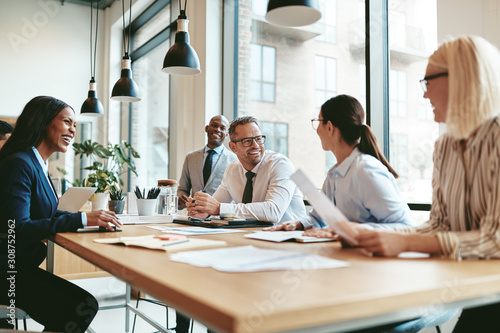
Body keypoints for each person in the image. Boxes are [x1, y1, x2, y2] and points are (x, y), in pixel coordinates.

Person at [351, 36, 500, 331]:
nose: (424, 95)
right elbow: (440, 225)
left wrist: (404, 241)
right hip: (480, 294)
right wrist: (370, 235)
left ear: (460, 78)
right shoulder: (444, 147)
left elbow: (496, 239)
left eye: (427, 82)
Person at [0, 96, 122, 332]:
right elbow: (19, 228)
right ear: (43, 122)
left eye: (74, 125)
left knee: (81, 306)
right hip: (8, 272)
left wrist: (86, 222)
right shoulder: (20, 163)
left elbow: (37, 217)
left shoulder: (38, 165)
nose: (72, 130)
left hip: (18, 267)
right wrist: (83, 218)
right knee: (81, 307)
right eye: (67, 122)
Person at [266, 94, 413, 233]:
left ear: (329, 127)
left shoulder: (366, 171)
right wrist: (297, 224)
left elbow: (405, 226)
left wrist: (353, 230)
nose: (316, 130)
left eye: (318, 122)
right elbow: (319, 218)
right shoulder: (334, 174)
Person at [187, 116, 306, 223]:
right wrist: (203, 210)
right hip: (253, 235)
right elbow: (215, 204)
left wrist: (219, 208)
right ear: (233, 147)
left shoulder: (280, 165)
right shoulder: (233, 169)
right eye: (247, 141)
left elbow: (273, 211)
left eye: (258, 139)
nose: (256, 145)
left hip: (288, 238)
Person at [177, 115, 236, 209]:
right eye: (214, 125)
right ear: (207, 128)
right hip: (193, 216)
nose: (217, 130)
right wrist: (180, 199)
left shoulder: (235, 160)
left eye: (222, 128)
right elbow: (183, 189)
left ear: (227, 134)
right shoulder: (190, 157)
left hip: (220, 219)